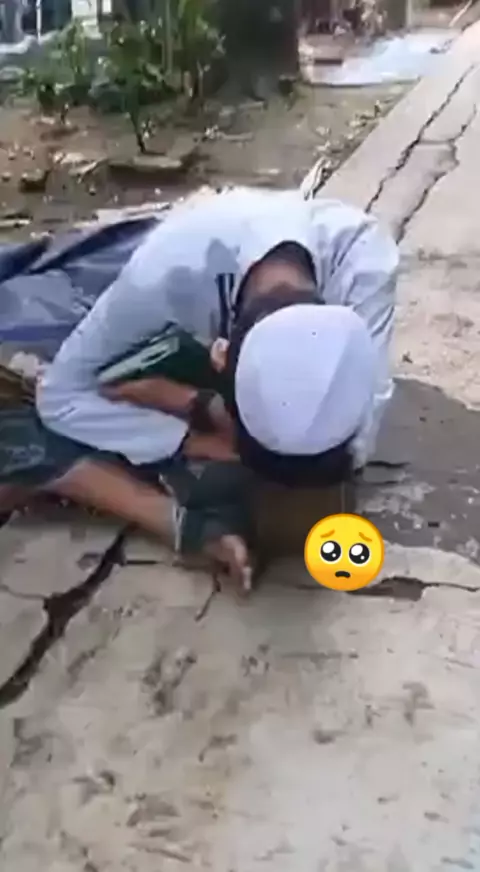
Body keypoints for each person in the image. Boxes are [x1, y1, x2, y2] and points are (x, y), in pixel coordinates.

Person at [29, 187, 398, 589]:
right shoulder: (164, 275)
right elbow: (58, 397)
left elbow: (366, 419)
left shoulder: (365, 262)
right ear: (218, 357)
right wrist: (188, 437)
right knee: (23, 421)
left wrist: (188, 404)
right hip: (148, 264)